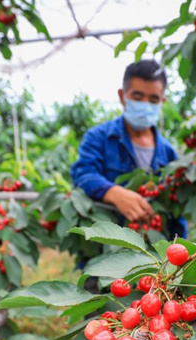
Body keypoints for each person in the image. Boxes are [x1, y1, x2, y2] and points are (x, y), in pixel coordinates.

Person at [71, 60, 186, 237]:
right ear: (122, 96)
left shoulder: (169, 153)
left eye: (153, 99)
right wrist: (112, 192)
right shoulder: (98, 138)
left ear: (163, 101)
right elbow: (83, 174)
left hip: (154, 251)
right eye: (138, 97)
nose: (145, 105)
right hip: (104, 246)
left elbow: (177, 209)